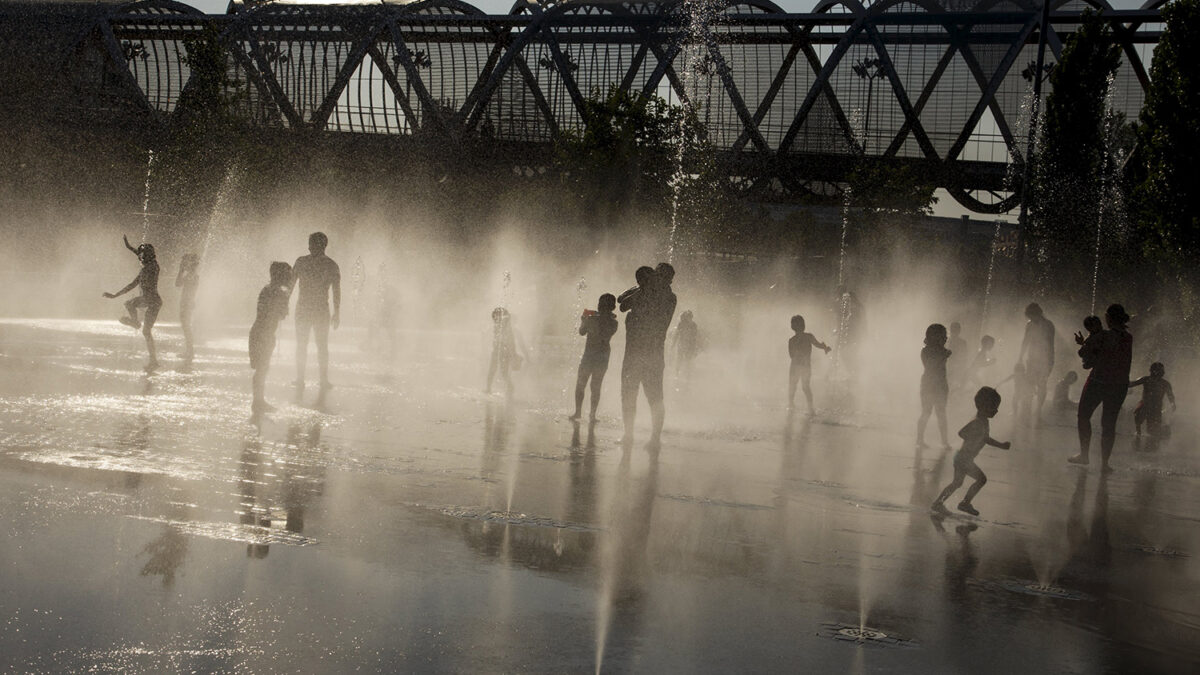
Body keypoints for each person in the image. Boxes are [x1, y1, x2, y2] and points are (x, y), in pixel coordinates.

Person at [1070, 304, 1133, 473]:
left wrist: (1083, 344)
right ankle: (1105, 464)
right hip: (1119, 385)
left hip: (1099, 381)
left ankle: (1084, 455)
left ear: (1108, 318)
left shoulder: (1103, 336)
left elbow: (1084, 355)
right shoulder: (1128, 338)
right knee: (1109, 424)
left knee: (1083, 415)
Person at [621, 262, 677, 451]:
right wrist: (642, 286)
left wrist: (643, 288)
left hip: (650, 353)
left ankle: (655, 438)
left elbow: (624, 305)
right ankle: (628, 434)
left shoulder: (668, 298)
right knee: (629, 394)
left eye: (661, 277)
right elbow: (621, 302)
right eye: (655, 276)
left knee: (654, 397)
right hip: (635, 352)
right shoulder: (644, 292)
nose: (660, 280)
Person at [932, 386, 1011, 516]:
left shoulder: (983, 421)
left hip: (963, 458)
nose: (996, 410)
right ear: (984, 405)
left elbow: (985, 439)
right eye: (994, 406)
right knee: (981, 479)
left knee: (957, 483)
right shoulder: (978, 422)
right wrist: (973, 438)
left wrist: (1001, 445)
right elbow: (961, 432)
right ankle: (964, 503)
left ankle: (939, 503)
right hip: (964, 459)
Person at [103, 235, 162, 372]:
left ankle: (135, 323)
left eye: (142, 255)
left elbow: (142, 259)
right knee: (146, 331)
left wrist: (114, 296)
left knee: (130, 305)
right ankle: (154, 360)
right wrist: (130, 248)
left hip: (151, 299)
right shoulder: (146, 268)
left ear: (148, 256)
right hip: (153, 301)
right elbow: (131, 284)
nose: (140, 258)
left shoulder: (152, 267)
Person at [293, 232, 340, 393]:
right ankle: (301, 378)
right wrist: (282, 303)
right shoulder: (328, 264)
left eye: (312, 243)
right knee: (303, 344)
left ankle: (322, 379)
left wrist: (337, 312)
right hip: (311, 309)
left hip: (314, 309)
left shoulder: (329, 265)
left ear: (322, 245)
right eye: (309, 243)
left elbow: (336, 290)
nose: (309, 246)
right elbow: (291, 284)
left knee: (320, 345)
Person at [250, 262, 293, 415]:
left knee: (262, 368)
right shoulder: (278, 292)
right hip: (265, 334)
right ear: (281, 275)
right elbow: (280, 315)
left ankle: (259, 401)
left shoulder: (268, 289)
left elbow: (266, 312)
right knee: (262, 368)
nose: (290, 277)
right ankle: (257, 402)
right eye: (288, 274)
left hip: (260, 332)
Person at [571, 294, 618, 421]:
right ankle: (591, 414)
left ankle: (578, 412)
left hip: (590, 355)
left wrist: (584, 320)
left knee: (582, 383)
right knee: (596, 385)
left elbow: (581, 332)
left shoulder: (593, 320)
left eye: (601, 303)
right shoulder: (614, 322)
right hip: (603, 356)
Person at [1018, 303, 1056, 421]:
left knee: (1042, 386)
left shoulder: (1048, 325)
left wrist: (1050, 362)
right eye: (1029, 316)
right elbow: (1025, 341)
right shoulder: (1029, 325)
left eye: (1031, 316)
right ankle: (1027, 412)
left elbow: (1050, 344)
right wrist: (1020, 357)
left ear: (1038, 313)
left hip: (1044, 360)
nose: (1030, 318)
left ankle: (1038, 411)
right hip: (1032, 359)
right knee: (1029, 385)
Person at [787, 314, 832, 413]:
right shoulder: (801, 338)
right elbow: (791, 354)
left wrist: (825, 348)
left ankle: (803, 407)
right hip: (801, 366)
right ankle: (799, 406)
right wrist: (825, 347)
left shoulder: (796, 339)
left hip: (799, 366)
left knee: (799, 387)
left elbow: (817, 344)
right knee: (800, 387)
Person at [917, 323, 952, 448]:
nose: (946, 339)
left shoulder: (940, 351)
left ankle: (944, 441)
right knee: (927, 412)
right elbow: (931, 366)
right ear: (935, 337)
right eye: (943, 336)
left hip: (939, 384)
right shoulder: (926, 351)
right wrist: (944, 355)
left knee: (941, 413)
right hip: (930, 384)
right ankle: (920, 440)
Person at [1129, 362, 1176, 437]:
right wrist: (1122, 382)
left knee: (1152, 430)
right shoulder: (1146, 379)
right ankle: (1138, 433)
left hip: (1155, 408)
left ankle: (1161, 432)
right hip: (1145, 405)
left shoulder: (1164, 383)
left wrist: (1173, 404)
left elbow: (1170, 395)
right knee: (1138, 419)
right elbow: (1132, 384)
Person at [486, 307, 520, 395]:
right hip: (496, 351)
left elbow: (511, 343)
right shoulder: (497, 326)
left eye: (496, 317)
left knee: (503, 372)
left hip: (504, 353)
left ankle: (510, 389)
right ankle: (488, 388)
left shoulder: (507, 329)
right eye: (494, 317)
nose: (495, 319)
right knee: (492, 370)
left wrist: (513, 354)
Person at [176, 252, 199, 367]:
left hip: (187, 303)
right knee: (186, 327)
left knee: (186, 327)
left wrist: (181, 270)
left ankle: (190, 352)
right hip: (187, 303)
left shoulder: (191, 275)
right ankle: (189, 351)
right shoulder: (193, 275)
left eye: (188, 263)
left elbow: (177, 284)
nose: (186, 264)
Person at [671, 310, 700, 380]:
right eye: (688, 317)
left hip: (689, 346)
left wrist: (695, 348)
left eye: (690, 317)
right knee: (679, 360)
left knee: (688, 361)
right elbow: (677, 334)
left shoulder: (693, 325)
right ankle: (677, 374)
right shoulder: (681, 324)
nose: (690, 319)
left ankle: (687, 376)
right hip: (681, 345)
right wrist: (673, 344)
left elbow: (695, 337)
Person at [947, 321, 968, 385]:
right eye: (954, 329)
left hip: (955, 367)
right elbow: (965, 356)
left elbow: (964, 356)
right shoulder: (946, 341)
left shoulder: (947, 341)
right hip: (950, 366)